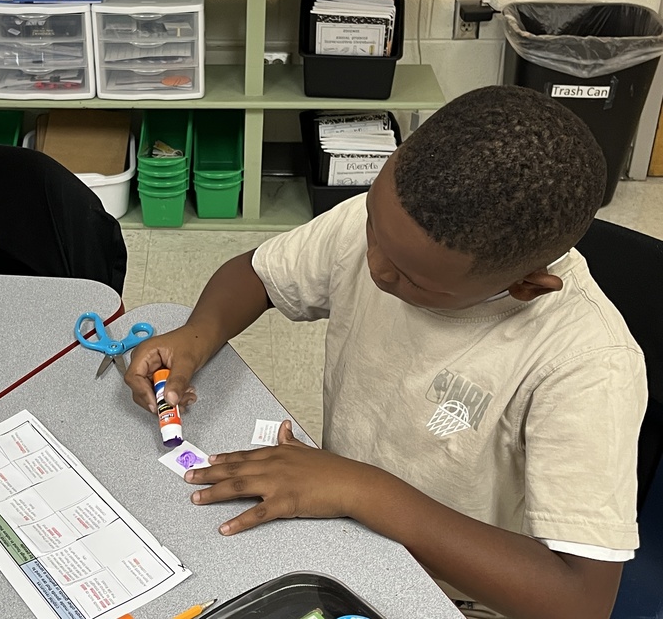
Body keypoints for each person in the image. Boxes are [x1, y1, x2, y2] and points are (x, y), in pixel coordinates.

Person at [126, 85, 647, 619]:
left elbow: (580, 601)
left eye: (409, 277)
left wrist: (360, 490)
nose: (375, 265)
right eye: (375, 225)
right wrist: (196, 336)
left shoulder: (587, 365)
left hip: (456, 596)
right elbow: (256, 275)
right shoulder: (387, 223)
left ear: (526, 287)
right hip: (344, 528)